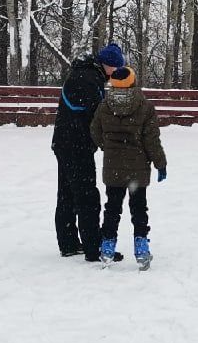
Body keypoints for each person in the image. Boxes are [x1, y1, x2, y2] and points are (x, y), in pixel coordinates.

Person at [90, 65, 167, 269]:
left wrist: (108, 148)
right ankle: (141, 247)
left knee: (112, 208)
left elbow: (95, 131)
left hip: (113, 167)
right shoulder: (145, 107)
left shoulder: (104, 106)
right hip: (137, 168)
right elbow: (151, 140)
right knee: (139, 208)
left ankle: (107, 246)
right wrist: (161, 163)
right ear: (133, 82)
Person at [55, 42, 125, 262]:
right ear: (108, 65)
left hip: (66, 143)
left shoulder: (85, 74)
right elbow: (96, 118)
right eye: (116, 68)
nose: (117, 73)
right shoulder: (88, 79)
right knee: (87, 196)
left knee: (67, 194)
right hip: (76, 146)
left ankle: (68, 243)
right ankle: (94, 248)